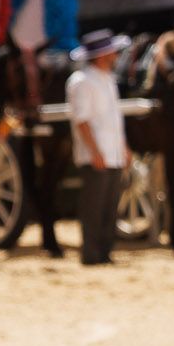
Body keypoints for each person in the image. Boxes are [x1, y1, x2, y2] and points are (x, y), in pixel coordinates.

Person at [67, 29, 131, 266]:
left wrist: (123, 148)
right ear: (103, 55)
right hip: (96, 153)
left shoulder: (107, 79)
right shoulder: (82, 81)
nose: (115, 55)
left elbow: (114, 120)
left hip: (112, 150)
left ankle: (105, 252)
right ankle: (91, 254)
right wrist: (94, 151)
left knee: (110, 206)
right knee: (94, 206)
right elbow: (82, 121)